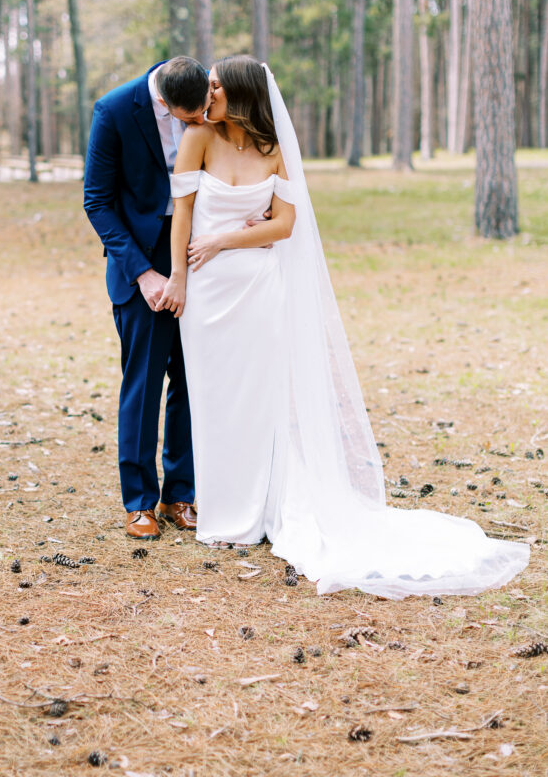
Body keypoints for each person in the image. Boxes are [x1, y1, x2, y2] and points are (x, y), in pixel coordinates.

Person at [158, 55, 530, 598]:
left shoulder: (275, 148)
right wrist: (180, 278)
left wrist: (224, 240)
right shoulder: (197, 139)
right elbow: (183, 215)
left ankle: (263, 512)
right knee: (214, 400)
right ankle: (224, 516)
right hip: (207, 294)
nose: (206, 95)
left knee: (260, 401)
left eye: (215, 87)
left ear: (240, 94)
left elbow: (285, 225)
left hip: (259, 291)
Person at [84, 57, 210, 541]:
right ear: (163, 102)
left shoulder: (201, 95)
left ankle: (180, 493)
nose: (199, 124)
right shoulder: (114, 110)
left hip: (200, 263)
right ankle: (138, 502)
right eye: (189, 118)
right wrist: (143, 274)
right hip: (141, 267)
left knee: (191, 379)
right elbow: (97, 201)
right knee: (143, 383)